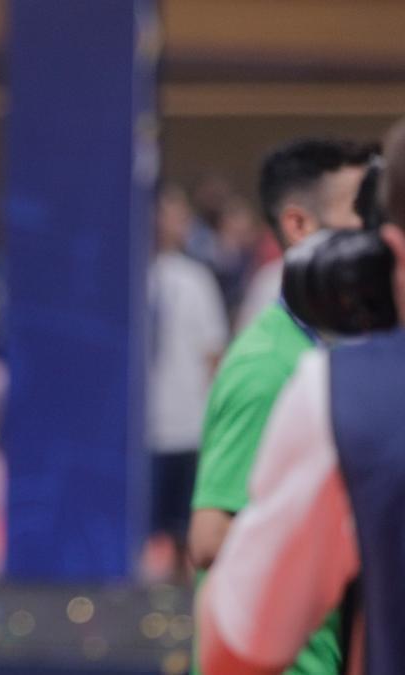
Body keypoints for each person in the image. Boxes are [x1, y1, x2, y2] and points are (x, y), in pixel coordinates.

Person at [195, 116, 405, 675]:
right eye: (358, 212)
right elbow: (210, 536)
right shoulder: (276, 367)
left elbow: (241, 632)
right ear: (298, 227)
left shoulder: (339, 387)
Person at [145, 183, 228, 582]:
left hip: (185, 424)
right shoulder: (121, 278)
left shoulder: (195, 279)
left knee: (183, 530)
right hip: (138, 428)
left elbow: (213, 353)